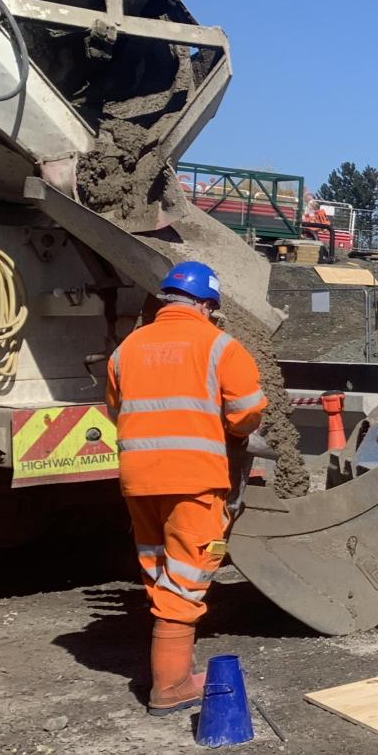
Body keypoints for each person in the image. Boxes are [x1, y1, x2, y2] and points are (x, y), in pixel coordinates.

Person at [106, 261, 267, 714]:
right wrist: (232, 429)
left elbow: (116, 410)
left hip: (139, 480)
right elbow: (247, 412)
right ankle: (171, 685)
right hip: (194, 480)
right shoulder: (220, 346)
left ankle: (169, 670)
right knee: (188, 576)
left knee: (159, 569)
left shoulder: (127, 348)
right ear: (206, 305)